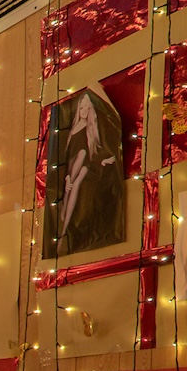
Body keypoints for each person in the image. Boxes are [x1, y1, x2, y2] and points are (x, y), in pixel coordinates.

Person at [45, 88, 126, 258]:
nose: (83, 111)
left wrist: (103, 161)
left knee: (80, 171)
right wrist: (67, 177)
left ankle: (63, 231)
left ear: (90, 110)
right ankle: (63, 228)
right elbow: (66, 156)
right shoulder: (72, 129)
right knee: (73, 180)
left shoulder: (91, 129)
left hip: (86, 166)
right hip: (72, 168)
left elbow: (94, 153)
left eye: (86, 109)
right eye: (81, 108)